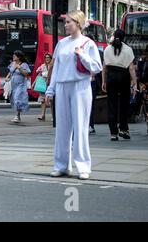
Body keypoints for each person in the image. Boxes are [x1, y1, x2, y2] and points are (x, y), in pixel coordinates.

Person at [45, 10, 102, 180]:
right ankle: (61, 165)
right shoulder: (61, 44)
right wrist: (50, 89)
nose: (66, 24)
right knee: (62, 129)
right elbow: (56, 68)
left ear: (78, 23)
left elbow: (96, 67)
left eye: (69, 21)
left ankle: (83, 167)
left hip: (81, 86)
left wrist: (82, 55)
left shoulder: (88, 43)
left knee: (80, 127)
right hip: (62, 85)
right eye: (65, 21)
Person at [102, 29, 137, 141]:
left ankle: (113, 132)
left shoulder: (107, 49)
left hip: (111, 77)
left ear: (114, 36)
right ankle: (123, 128)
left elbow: (104, 68)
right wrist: (135, 83)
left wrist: (104, 81)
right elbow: (131, 68)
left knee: (112, 104)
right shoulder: (128, 50)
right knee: (124, 104)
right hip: (124, 77)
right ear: (124, 38)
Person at [85, 34, 104, 135]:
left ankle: (89, 125)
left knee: (89, 104)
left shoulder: (98, 53)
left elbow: (100, 68)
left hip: (90, 82)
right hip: (90, 82)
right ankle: (89, 125)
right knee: (89, 104)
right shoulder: (99, 53)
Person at [5, 50, 31, 123]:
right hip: (13, 85)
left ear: (19, 57)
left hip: (20, 85)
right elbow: (10, 72)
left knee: (17, 99)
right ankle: (18, 116)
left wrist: (19, 68)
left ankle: (16, 116)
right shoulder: (12, 63)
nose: (13, 56)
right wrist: (7, 77)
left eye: (15, 55)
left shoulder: (24, 64)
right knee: (14, 100)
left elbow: (26, 74)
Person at [34, 53, 52, 121]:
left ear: (51, 58)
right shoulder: (42, 66)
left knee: (51, 101)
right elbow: (38, 74)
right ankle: (42, 115)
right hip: (43, 85)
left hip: (51, 85)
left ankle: (53, 116)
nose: (47, 58)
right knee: (43, 100)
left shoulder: (53, 66)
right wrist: (34, 83)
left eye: (48, 57)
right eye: (46, 57)